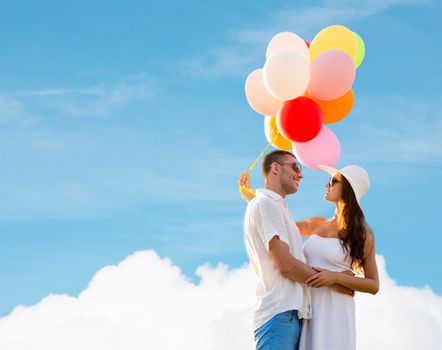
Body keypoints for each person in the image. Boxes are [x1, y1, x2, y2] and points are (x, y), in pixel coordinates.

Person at [240, 162, 379, 350]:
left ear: (348, 189)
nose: (327, 185)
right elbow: (278, 222)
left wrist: (335, 278)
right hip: (308, 307)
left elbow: (373, 284)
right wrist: (251, 197)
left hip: (336, 309)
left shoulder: (362, 234)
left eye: (333, 181)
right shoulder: (316, 223)